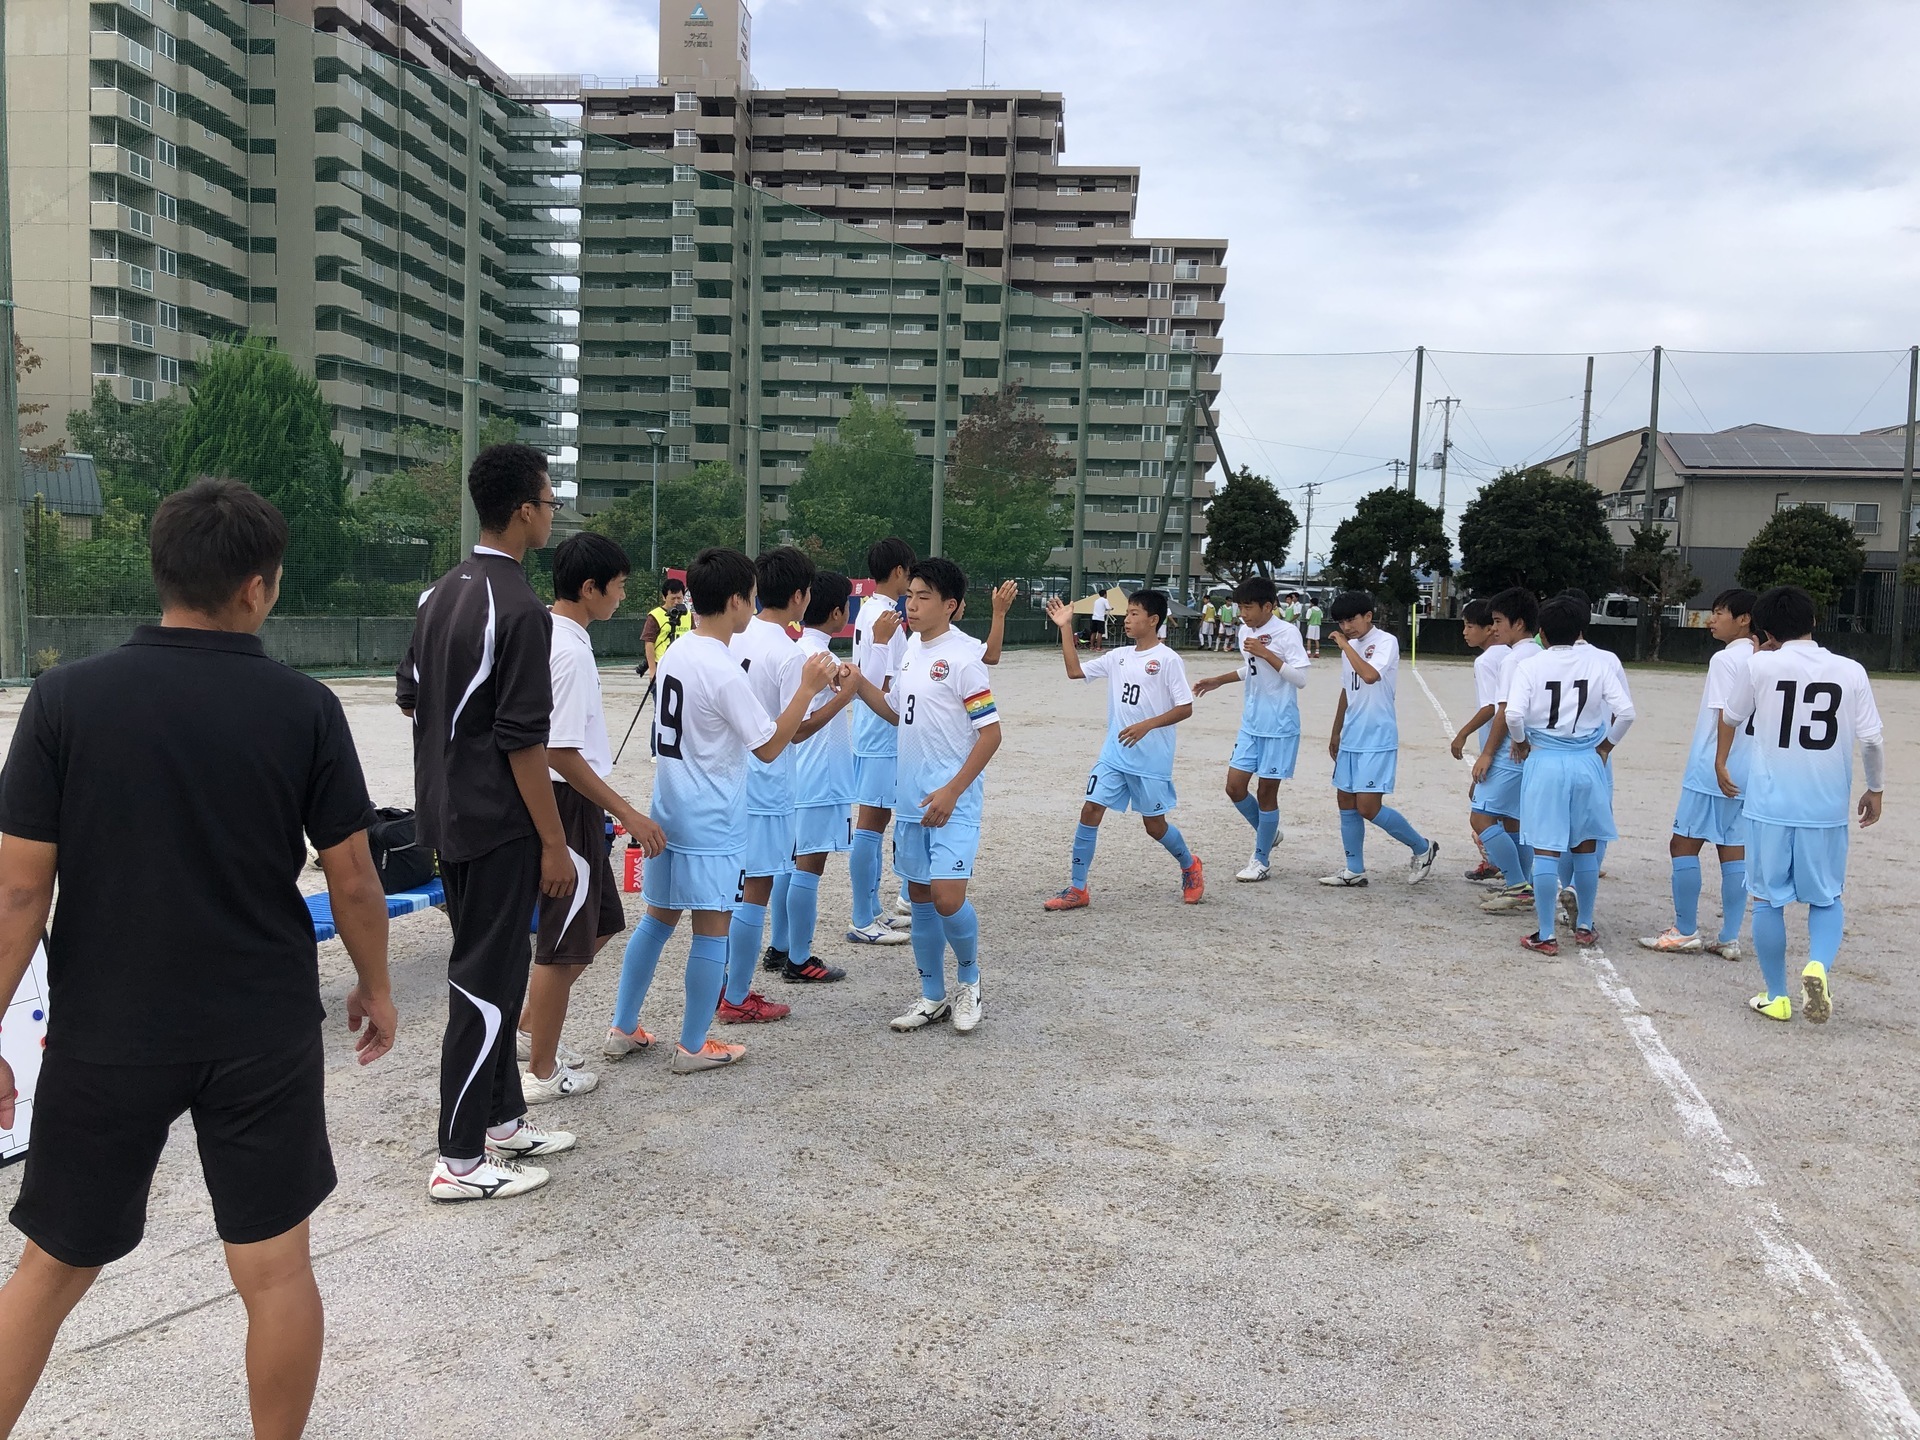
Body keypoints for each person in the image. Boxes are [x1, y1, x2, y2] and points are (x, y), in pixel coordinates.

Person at [0, 479, 397, 1439]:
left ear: (159, 570)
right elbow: (351, 878)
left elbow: (18, 892)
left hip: (107, 1028)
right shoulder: (303, 707)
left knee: (51, 1267)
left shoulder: (63, 700)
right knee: (274, 1269)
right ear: (259, 588)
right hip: (257, 1025)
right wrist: (376, 987)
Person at [400, 443, 578, 1202]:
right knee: (483, 982)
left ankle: (503, 1118)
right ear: (523, 511)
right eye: (548, 498)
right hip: (498, 825)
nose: (552, 512)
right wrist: (553, 840)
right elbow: (522, 740)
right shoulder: (521, 609)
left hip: (443, 816)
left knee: (495, 973)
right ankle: (460, 1159)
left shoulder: (438, 593)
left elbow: (411, 696)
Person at [605, 548, 839, 1071]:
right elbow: (770, 746)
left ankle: (623, 1026)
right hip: (711, 815)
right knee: (711, 928)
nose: (753, 606)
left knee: (658, 920)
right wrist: (808, 689)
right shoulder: (719, 665)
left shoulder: (680, 650)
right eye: (750, 596)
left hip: (668, 807)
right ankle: (692, 1045)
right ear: (735, 599)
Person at [519, 534, 667, 1103]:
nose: (623, 596)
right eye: (620, 585)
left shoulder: (554, 635)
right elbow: (556, 750)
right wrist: (628, 812)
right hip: (565, 806)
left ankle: (535, 1028)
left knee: (601, 922)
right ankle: (540, 1068)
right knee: (561, 940)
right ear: (590, 588)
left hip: (572, 804)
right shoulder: (571, 649)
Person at [1716, 585, 1884, 1024]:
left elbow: (1731, 716)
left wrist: (1719, 761)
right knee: (1826, 897)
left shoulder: (1759, 666)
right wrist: (1875, 788)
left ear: (1766, 629)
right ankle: (1818, 966)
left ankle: (1777, 995)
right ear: (1813, 622)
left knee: (1768, 899)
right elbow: (1871, 739)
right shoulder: (1851, 670)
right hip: (1825, 807)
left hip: (1770, 804)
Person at [853, 559, 1003, 1034]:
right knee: (919, 897)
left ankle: (970, 982)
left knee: (946, 897)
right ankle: (932, 995)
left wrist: (953, 791)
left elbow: (991, 734)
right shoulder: (912, 647)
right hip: (911, 801)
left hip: (952, 803)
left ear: (952, 606)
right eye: (910, 595)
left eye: (922, 597)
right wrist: (858, 686)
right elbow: (898, 712)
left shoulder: (964, 658)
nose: (910, 605)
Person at [727, 546, 851, 1009]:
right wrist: (840, 698)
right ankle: (737, 993)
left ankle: (735, 984)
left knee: (735, 888)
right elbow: (793, 732)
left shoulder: (735, 634)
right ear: (800, 596)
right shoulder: (787, 652)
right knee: (756, 888)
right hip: (766, 783)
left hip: (730, 778)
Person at [1040, 589, 1203, 911]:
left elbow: (1185, 707)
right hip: (1114, 754)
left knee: (1154, 826)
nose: (1126, 619)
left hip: (1151, 759)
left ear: (1153, 620)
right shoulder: (1118, 656)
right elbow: (1074, 672)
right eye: (1126, 613)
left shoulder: (1169, 660)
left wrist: (1147, 725)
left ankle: (1190, 866)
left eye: (1134, 614)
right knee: (1090, 810)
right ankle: (1077, 888)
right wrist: (1064, 627)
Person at [1505, 594, 1636, 955]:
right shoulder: (1599, 663)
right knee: (1585, 847)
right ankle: (1584, 926)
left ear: (1542, 633)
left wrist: (1521, 743)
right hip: (1587, 760)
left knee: (1546, 850)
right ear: (1582, 629)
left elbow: (1514, 715)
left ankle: (1546, 933)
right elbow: (1625, 712)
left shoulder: (1531, 665)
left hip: (1546, 759)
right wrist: (1606, 746)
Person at [1638, 588, 1757, 959]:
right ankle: (1730, 935)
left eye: (1719, 612)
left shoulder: (1727, 660)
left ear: (1744, 619)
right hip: (1751, 767)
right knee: (1733, 848)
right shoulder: (1767, 658)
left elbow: (1725, 713)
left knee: (1683, 843)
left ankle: (1685, 929)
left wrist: (1719, 761)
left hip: (1713, 766)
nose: (1711, 619)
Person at [1192, 575, 1310, 883]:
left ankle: (1261, 859)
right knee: (1234, 787)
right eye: (1240, 606)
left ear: (1268, 606)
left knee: (1267, 792)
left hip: (1280, 726)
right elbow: (1252, 669)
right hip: (1252, 723)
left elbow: (1300, 678)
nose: (1242, 613)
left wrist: (1267, 652)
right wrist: (1218, 679)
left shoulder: (1286, 633)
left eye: (1248, 607)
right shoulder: (1246, 630)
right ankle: (1269, 833)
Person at [1319, 591, 1440, 888]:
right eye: (1341, 621)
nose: (1346, 626)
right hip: (1352, 736)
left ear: (1368, 616)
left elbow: (1370, 675)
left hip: (1377, 736)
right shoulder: (1351, 648)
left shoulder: (1385, 642)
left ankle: (1423, 847)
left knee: (1368, 807)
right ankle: (1354, 869)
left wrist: (1346, 646)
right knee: (1345, 801)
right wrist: (1336, 731)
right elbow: (1348, 690)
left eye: (1351, 619)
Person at [784, 573, 862, 978]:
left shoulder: (797, 649)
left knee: (790, 861)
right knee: (809, 865)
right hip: (821, 773)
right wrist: (847, 695)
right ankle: (798, 959)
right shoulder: (823, 660)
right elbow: (807, 721)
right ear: (837, 613)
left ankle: (782, 947)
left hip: (798, 771)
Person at [847, 538, 916, 947]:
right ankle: (861, 916)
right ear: (898, 572)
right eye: (909, 573)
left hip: (880, 729)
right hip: (879, 729)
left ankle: (872, 909)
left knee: (879, 819)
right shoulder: (883, 617)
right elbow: (876, 680)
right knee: (871, 822)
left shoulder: (876, 610)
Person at [1471, 587, 1541, 915]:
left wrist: (1487, 753)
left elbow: (1504, 711)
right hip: (1537, 749)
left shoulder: (1514, 659)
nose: (1494, 628)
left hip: (1513, 750)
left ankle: (1517, 885)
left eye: (1498, 621)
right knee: (1514, 820)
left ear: (1519, 623)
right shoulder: (1541, 653)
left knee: (1481, 815)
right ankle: (1524, 882)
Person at [1451, 599, 1510, 884]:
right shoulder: (1511, 653)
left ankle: (1509, 871)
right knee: (1506, 812)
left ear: (1490, 629)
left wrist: (1463, 733)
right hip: (1512, 745)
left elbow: (1492, 707)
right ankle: (1503, 864)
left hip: (1497, 747)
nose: (1464, 632)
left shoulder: (1488, 659)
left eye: (1470, 626)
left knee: (1482, 811)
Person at [640, 575, 692, 764]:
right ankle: (656, 750)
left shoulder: (687, 615)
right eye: (673, 598)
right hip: (662, 670)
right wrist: (652, 670)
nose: (677, 602)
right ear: (664, 597)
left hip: (684, 671)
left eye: (680, 598)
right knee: (660, 711)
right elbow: (649, 643)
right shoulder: (655, 616)